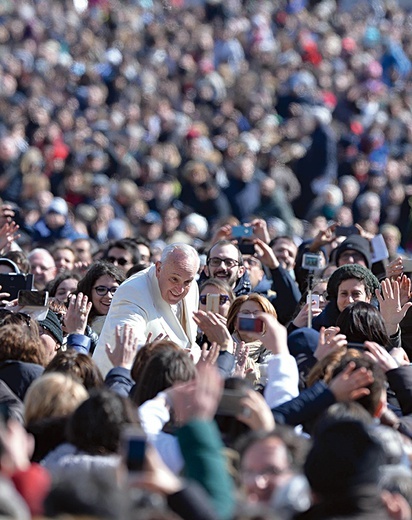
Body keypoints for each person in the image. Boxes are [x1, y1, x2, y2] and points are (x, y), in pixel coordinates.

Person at [95, 243, 201, 376]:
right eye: (174, 279)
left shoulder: (192, 286)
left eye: (187, 282)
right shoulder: (133, 291)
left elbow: (190, 341)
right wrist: (161, 353)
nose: (179, 289)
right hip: (122, 384)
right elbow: (127, 340)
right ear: (158, 269)